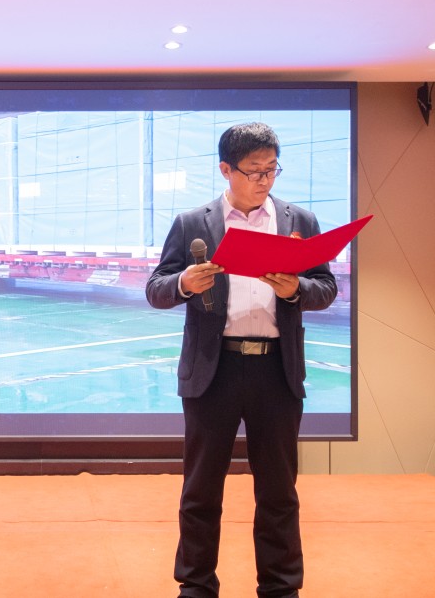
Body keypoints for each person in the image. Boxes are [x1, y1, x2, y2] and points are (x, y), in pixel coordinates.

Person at [145, 123, 337, 598]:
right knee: (201, 491)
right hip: (215, 371)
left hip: (276, 370)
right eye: (254, 171)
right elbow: (156, 288)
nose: (264, 180)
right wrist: (185, 283)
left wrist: (296, 289)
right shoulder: (194, 223)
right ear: (225, 169)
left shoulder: (299, 220)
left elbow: (326, 288)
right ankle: (195, 586)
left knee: (279, 491)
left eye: (272, 169)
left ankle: (281, 588)